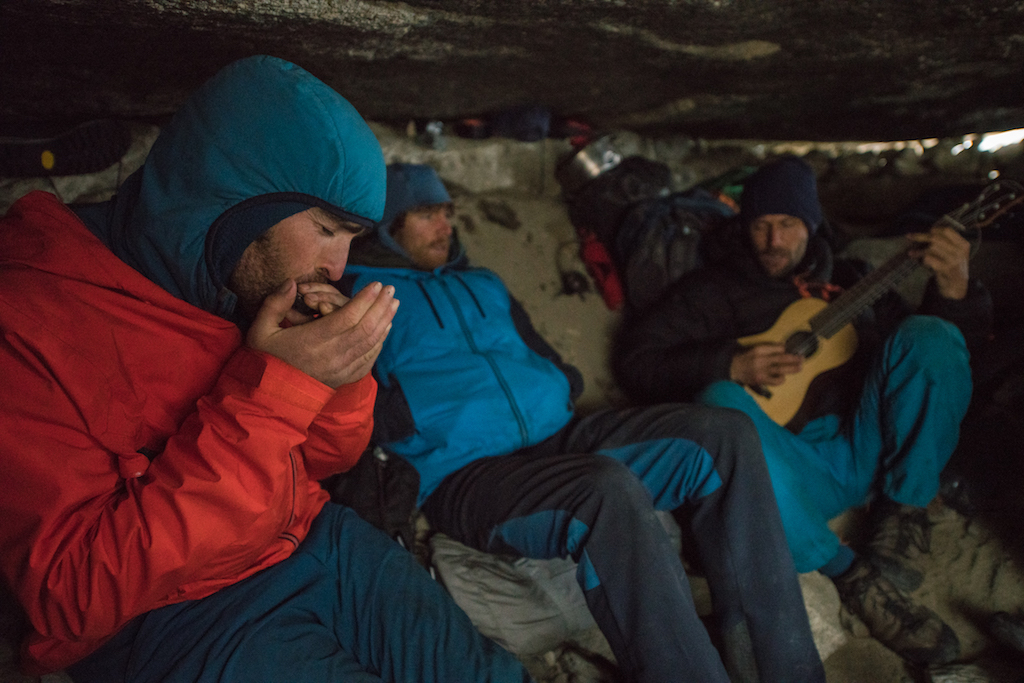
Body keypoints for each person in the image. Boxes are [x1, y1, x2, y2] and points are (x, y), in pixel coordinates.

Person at [0, 56, 534, 682]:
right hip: (178, 619)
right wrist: (273, 393)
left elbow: (321, 464)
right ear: (243, 203)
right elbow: (73, 594)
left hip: (317, 537)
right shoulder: (27, 320)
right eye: (328, 230)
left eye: (352, 240)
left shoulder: (239, 287)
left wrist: (341, 380)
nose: (337, 268)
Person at [332, 162, 827, 683]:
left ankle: (787, 671)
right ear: (388, 224)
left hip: (558, 436)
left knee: (724, 434)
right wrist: (421, 412)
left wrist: (557, 381)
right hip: (468, 475)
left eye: (448, 213)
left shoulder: (483, 283)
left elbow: (541, 353)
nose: (446, 226)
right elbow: (345, 418)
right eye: (428, 214)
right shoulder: (357, 298)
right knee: (604, 491)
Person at [614, 155, 995, 666]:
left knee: (930, 336)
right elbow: (636, 361)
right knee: (716, 405)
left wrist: (954, 290)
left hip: (866, 453)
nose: (774, 241)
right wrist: (728, 362)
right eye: (762, 225)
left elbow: (938, 370)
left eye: (788, 225)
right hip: (784, 475)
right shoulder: (711, 292)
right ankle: (852, 577)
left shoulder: (855, 281)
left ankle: (901, 515)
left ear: (810, 226)